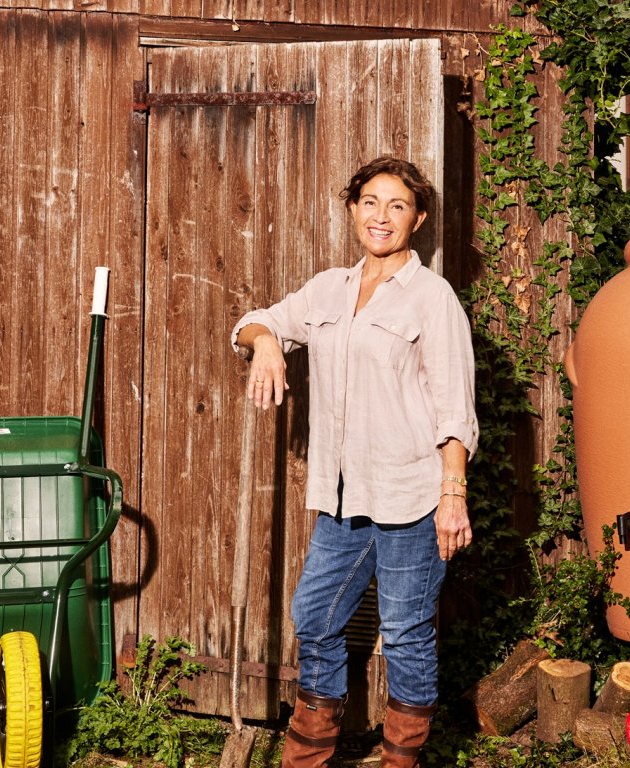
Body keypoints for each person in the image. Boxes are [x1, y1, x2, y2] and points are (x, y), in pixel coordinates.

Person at [230, 156, 478, 768]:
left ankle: (400, 759)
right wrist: (267, 344)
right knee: (315, 615)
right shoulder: (327, 289)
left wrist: (453, 496)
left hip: (411, 497)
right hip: (343, 498)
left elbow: (455, 409)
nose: (381, 216)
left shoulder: (433, 298)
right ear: (352, 209)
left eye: (397, 206)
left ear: (418, 219)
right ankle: (309, 756)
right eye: (370, 202)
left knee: (406, 633)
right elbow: (251, 323)